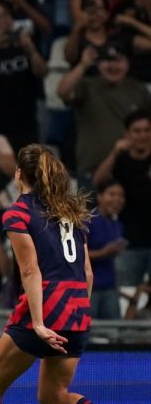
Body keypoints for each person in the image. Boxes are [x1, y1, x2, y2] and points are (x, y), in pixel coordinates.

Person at [0, 144, 93, 404]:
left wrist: (39, 324)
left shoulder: (18, 213)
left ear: (19, 174)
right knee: (54, 397)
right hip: (77, 310)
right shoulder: (71, 213)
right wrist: (79, 311)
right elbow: (87, 273)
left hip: (44, 307)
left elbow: (30, 270)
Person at [57, 42, 151, 187]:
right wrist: (83, 65)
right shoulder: (86, 85)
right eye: (108, 61)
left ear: (127, 63)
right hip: (92, 169)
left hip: (129, 170)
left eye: (118, 61)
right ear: (99, 64)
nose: (113, 67)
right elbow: (62, 92)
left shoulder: (139, 90)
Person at [0, 0, 48, 153]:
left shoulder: (25, 43)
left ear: (11, 19)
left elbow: (42, 72)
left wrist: (31, 50)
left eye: (3, 15)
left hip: (25, 124)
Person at [92, 110, 151, 288]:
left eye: (147, 130)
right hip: (127, 242)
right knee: (126, 295)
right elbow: (98, 182)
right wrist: (115, 152)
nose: (142, 135)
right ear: (127, 134)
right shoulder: (119, 160)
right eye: (137, 130)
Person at [86, 179, 125, 319]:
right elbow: (76, 255)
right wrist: (103, 252)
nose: (117, 199)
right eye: (112, 194)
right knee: (89, 334)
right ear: (100, 197)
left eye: (121, 196)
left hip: (110, 288)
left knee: (114, 335)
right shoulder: (87, 221)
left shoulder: (117, 224)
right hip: (89, 289)